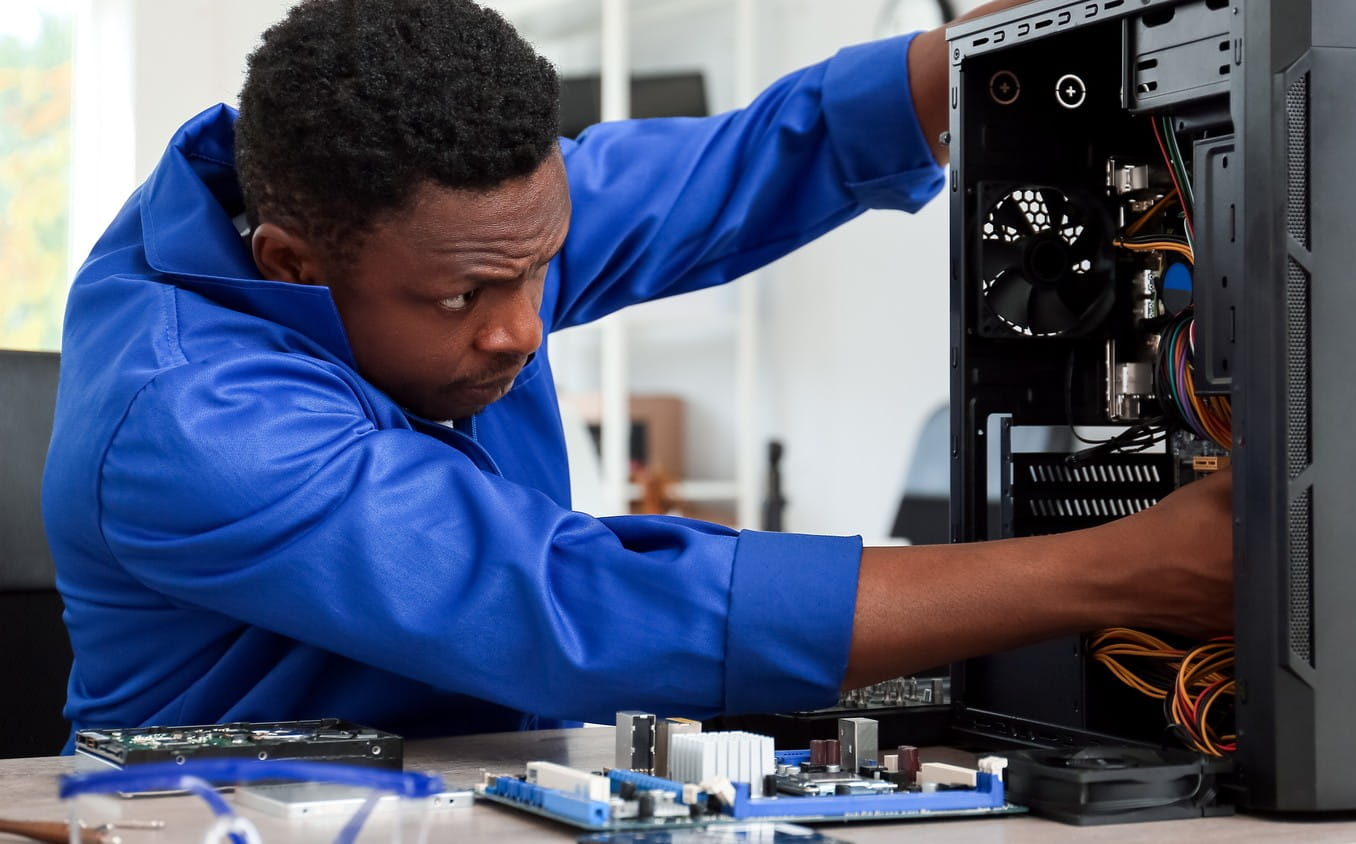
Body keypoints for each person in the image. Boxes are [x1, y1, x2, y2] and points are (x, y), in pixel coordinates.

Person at [43, 0, 1231, 741]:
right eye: (464, 299)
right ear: (291, 264)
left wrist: (1025, 39)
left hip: (487, 781)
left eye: (541, 269)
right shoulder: (188, 414)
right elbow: (576, 605)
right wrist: (1119, 570)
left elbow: (765, 155)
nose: (519, 327)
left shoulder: (461, 224)